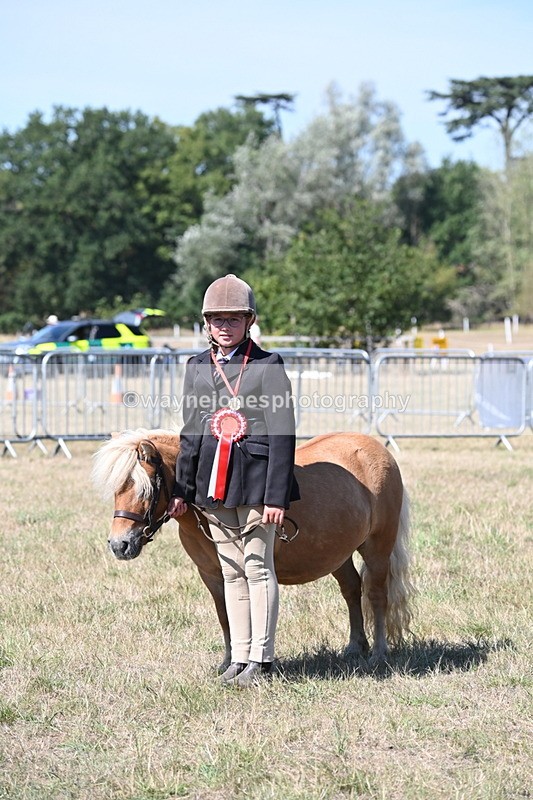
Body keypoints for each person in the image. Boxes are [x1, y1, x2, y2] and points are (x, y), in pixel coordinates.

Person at [167, 274, 299, 688]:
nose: (225, 326)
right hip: (214, 483)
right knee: (230, 569)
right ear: (206, 324)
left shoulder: (267, 365)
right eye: (217, 319)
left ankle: (263, 658)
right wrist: (182, 490)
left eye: (234, 319)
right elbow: (191, 432)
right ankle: (239, 657)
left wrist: (277, 496)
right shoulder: (196, 367)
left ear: (250, 321)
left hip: (258, 482)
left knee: (259, 567)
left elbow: (283, 433)